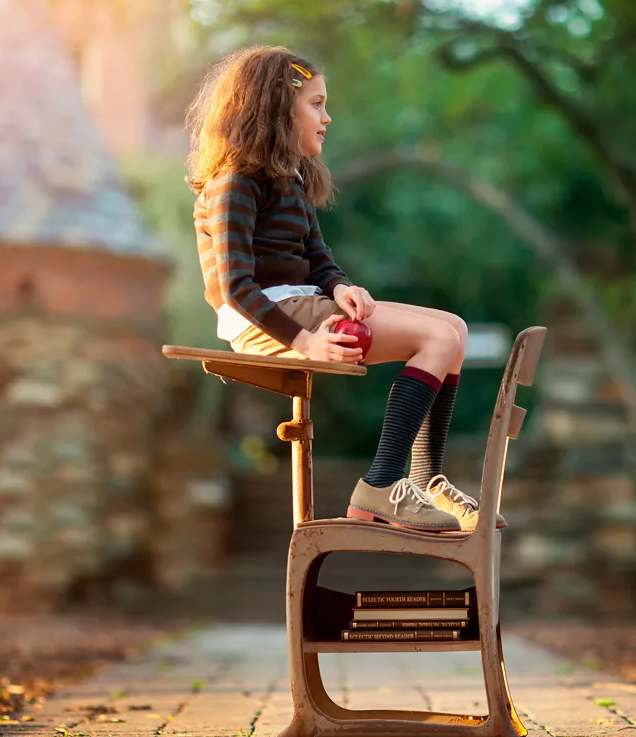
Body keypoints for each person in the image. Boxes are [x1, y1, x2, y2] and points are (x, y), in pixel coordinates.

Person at [186, 45, 505, 533]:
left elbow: (317, 257)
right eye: (316, 104)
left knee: (454, 329)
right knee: (437, 339)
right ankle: (381, 484)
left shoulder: (291, 176)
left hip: (303, 303)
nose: (327, 117)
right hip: (265, 319)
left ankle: (427, 479)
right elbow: (235, 287)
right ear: (277, 107)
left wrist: (339, 288)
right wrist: (307, 342)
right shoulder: (235, 179)